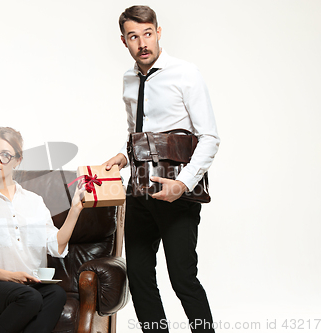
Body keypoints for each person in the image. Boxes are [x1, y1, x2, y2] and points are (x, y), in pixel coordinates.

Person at [103, 5, 220, 333]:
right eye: (133, 36)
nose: (142, 42)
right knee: (139, 278)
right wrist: (125, 157)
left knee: (183, 278)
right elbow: (135, 131)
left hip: (176, 192)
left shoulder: (186, 73)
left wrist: (181, 185)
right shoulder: (128, 79)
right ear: (124, 41)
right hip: (137, 190)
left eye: (147, 34)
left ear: (158, 32)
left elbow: (210, 138)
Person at [0, 127, 85, 333]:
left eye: (5, 155)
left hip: (25, 285)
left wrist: (75, 209)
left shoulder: (34, 201)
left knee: (56, 294)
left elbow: (55, 245)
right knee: (29, 298)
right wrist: (9, 276)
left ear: (18, 160)